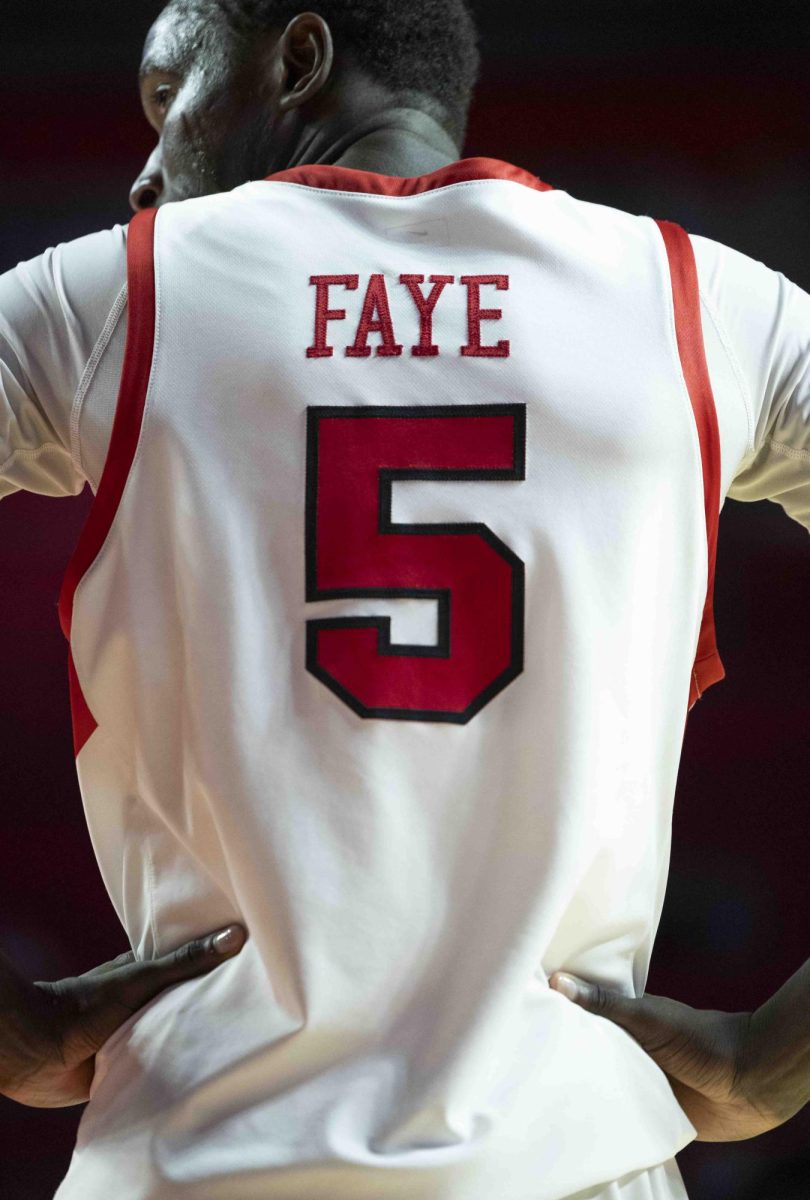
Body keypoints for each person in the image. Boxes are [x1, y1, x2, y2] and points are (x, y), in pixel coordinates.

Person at [0, 1, 808, 1197]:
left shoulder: (111, 301)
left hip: (194, 1149)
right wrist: (780, 1060)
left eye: (170, 100)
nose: (145, 168)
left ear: (298, 59)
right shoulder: (695, 303)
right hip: (570, 1156)